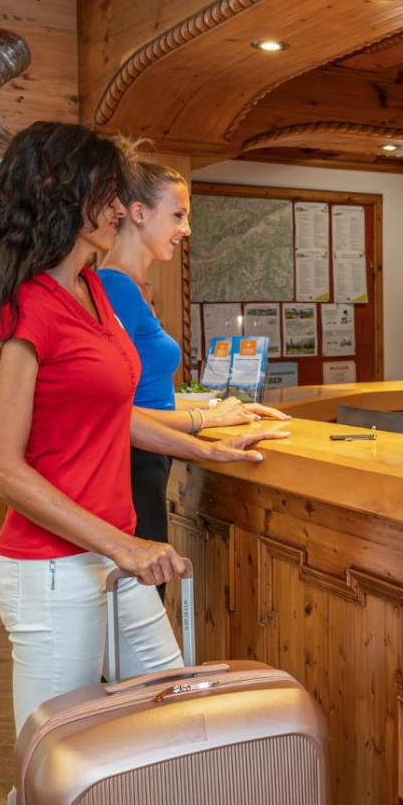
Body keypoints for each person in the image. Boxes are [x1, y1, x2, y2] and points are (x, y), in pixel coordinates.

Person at [0, 121, 289, 805]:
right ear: (64, 198)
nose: (120, 207)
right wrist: (121, 544)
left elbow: (111, 412)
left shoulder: (93, 289)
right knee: (52, 766)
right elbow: (0, 467)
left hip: (112, 560)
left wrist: (202, 446)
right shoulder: (22, 308)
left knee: (171, 724)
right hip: (53, 569)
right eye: (106, 193)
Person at [96, 149, 288, 602]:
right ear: (138, 213)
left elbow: (148, 393)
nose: (186, 229)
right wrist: (205, 421)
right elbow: (117, 411)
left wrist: (217, 407)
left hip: (150, 461)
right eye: (178, 215)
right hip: (133, 465)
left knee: (146, 603)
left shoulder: (132, 287)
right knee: (141, 603)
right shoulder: (114, 287)